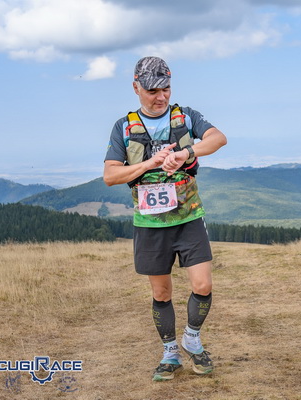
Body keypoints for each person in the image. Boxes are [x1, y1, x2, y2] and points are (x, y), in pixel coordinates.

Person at [103, 56, 227, 381]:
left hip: (189, 216)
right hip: (150, 224)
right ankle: (170, 353)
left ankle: (192, 339)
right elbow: (110, 176)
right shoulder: (123, 127)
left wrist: (186, 153)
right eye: (152, 91)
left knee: (203, 284)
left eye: (166, 89)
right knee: (161, 293)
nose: (161, 97)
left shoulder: (185, 116)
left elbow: (218, 138)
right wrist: (150, 164)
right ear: (136, 88)